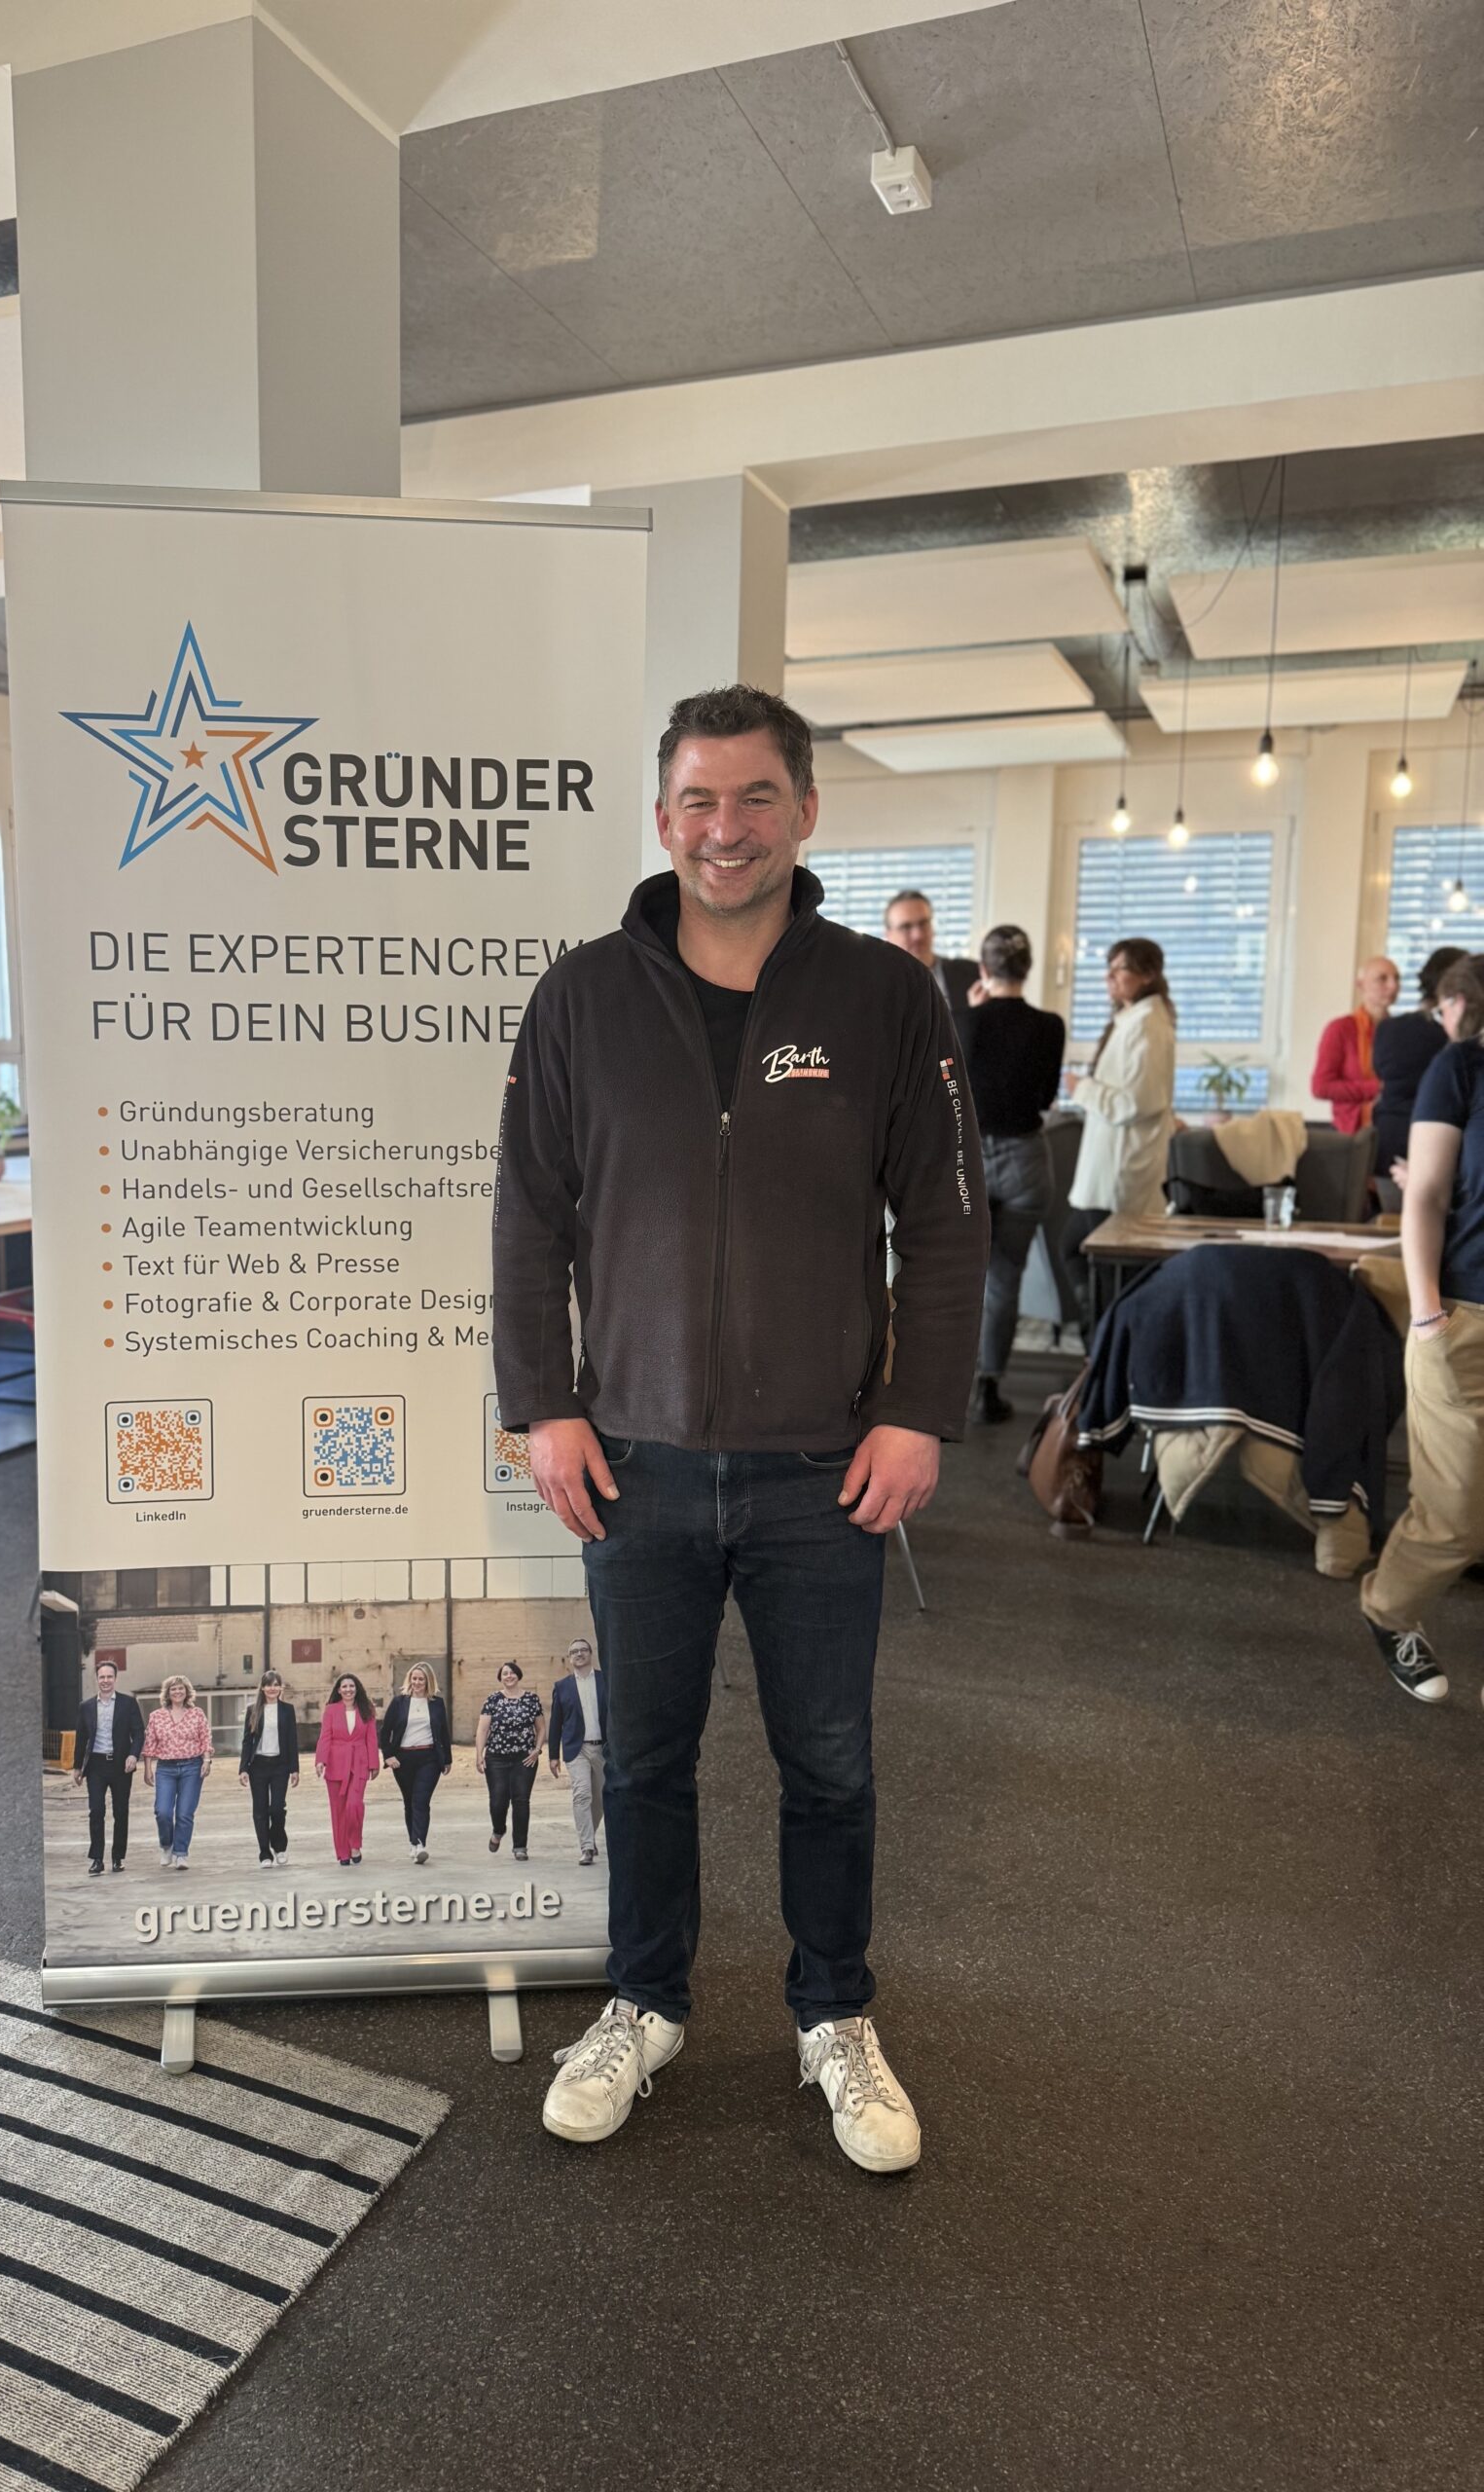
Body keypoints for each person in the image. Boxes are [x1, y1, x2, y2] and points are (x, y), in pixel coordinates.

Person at [493, 680, 987, 2172]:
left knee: (828, 1763)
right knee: (643, 1760)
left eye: (756, 797)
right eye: (700, 801)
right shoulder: (582, 998)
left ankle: (834, 2013)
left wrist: (917, 1413)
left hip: (819, 1468)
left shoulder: (887, 999)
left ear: (805, 813)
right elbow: (529, 1219)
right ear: (663, 819)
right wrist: (542, 1404)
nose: (727, 828)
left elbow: (946, 1225)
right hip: (632, 1462)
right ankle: (644, 2002)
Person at [1358, 953, 1484, 1706]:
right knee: (1455, 1511)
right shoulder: (1460, 1067)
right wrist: (1429, 1312)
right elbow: (1427, 1196)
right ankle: (1389, 1608)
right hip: (1466, 1315)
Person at [959, 924, 1065, 1421]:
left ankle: (944, 1386)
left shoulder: (964, 1021)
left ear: (984, 970)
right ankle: (989, 1387)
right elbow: (1045, 1097)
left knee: (958, 1274)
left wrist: (971, 1014)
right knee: (1005, 1276)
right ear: (1028, 968)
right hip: (1026, 1162)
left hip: (969, 1161)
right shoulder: (1050, 1026)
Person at [1060, 936, 1178, 1328]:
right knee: (1080, 1254)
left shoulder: (1148, 1025)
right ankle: (1098, 1349)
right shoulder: (1133, 1019)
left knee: (1108, 1277)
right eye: (1108, 968)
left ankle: (1104, 1351)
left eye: (1120, 968)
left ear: (1147, 975)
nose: (1109, 977)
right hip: (1107, 1168)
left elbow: (1135, 1103)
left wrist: (1082, 1089)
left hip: (1120, 1172)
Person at [1373, 946, 1465, 1189]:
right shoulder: (1456, 1041)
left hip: (1388, 1142)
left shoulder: (1388, 1028)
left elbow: (1379, 1073)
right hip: (1438, 1145)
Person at [71, 1659, 143, 1877]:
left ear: (115, 1678)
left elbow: (139, 1733)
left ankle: (118, 1857)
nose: (105, 1680)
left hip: (121, 1765)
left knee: (120, 1811)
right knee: (96, 1811)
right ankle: (97, 1859)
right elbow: (81, 1738)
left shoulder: (128, 1703)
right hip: (96, 1765)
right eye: (101, 1676)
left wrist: (133, 1755)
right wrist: (77, 1767)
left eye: (109, 1676)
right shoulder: (86, 1707)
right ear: (97, 1678)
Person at [1311, 956, 1398, 1135]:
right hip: (1352, 1132)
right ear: (1360, 985)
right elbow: (1321, 1086)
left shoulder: (1402, 1031)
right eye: (1382, 979)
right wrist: (1376, 1088)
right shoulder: (1341, 1028)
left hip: (1394, 1127)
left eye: (1397, 978)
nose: (1393, 986)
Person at [380, 1663, 452, 1863]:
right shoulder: (399, 1702)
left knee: (421, 1801)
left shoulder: (437, 1703)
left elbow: (443, 1732)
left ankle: (420, 1845)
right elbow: (385, 1732)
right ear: (410, 1680)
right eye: (414, 1678)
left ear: (428, 1681)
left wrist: (447, 1759)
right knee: (409, 1802)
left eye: (421, 1679)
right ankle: (413, 1843)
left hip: (429, 1758)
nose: (417, 1682)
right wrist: (388, 1756)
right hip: (403, 1759)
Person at [140, 1672, 212, 1870]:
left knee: (184, 1813)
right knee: (162, 1812)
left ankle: (181, 1853)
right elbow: (150, 1743)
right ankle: (166, 1846)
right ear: (168, 1693)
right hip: (166, 1768)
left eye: (181, 1688)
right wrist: (148, 1769)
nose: (178, 1692)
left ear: (187, 1692)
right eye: (174, 1689)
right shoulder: (157, 1716)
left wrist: (206, 1760)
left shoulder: (197, 1713)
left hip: (192, 1766)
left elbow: (206, 1738)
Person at [546, 1636, 607, 1865]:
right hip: (576, 1749)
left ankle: (590, 1835)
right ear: (569, 1658)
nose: (579, 1654)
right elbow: (556, 1723)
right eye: (574, 1652)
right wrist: (553, 1755)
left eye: (583, 1650)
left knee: (600, 1798)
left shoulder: (605, 1680)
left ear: (590, 1654)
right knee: (582, 1795)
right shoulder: (562, 1687)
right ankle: (587, 1847)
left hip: (603, 1748)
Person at [475, 1662, 545, 1860]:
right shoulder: (493, 1699)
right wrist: (479, 1754)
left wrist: (537, 1750)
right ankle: (498, 1830)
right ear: (500, 1678)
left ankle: (520, 1846)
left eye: (512, 1672)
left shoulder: (531, 1699)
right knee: (498, 1800)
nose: (509, 1676)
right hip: (496, 1757)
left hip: (525, 1758)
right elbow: (482, 1729)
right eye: (505, 1673)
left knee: (521, 1800)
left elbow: (541, 1728)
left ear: (518, 1675)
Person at [312, 1674, 379, 1864]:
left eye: (351, 1686)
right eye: (344, 1686)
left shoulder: (367, 1709)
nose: (348, 1689)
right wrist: (320, 1760)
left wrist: (374, 1763)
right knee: (338, 1810)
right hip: (336, 1764)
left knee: (353, 1805)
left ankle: (354, 1845)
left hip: (359, 1763)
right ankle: (343, 1853)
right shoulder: (331, 1710)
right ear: (339, 1690)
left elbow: (371, 1738)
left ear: (357, 1689)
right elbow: (325, 1736)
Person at [883, 888, 977, 1020]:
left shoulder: (972, 974)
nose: (918, 935)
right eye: (906, 927)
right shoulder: (875, 986)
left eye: (923, 924)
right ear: (888, 935)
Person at [238, 1671, 300, 1865]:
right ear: (263, 1688)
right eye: (268, 1685)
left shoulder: (287, 1710)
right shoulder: (253, 1710)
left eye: (276, 1684)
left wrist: (294, 1769)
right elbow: (247, 1741)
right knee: (260, 1811)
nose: (272, 1688)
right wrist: (243, 1768)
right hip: (258, 1766)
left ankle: (279, 1847)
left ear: (280, 1687)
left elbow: (292, 1740)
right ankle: (265, 1853)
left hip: (280, 1766)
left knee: (277, 1809)